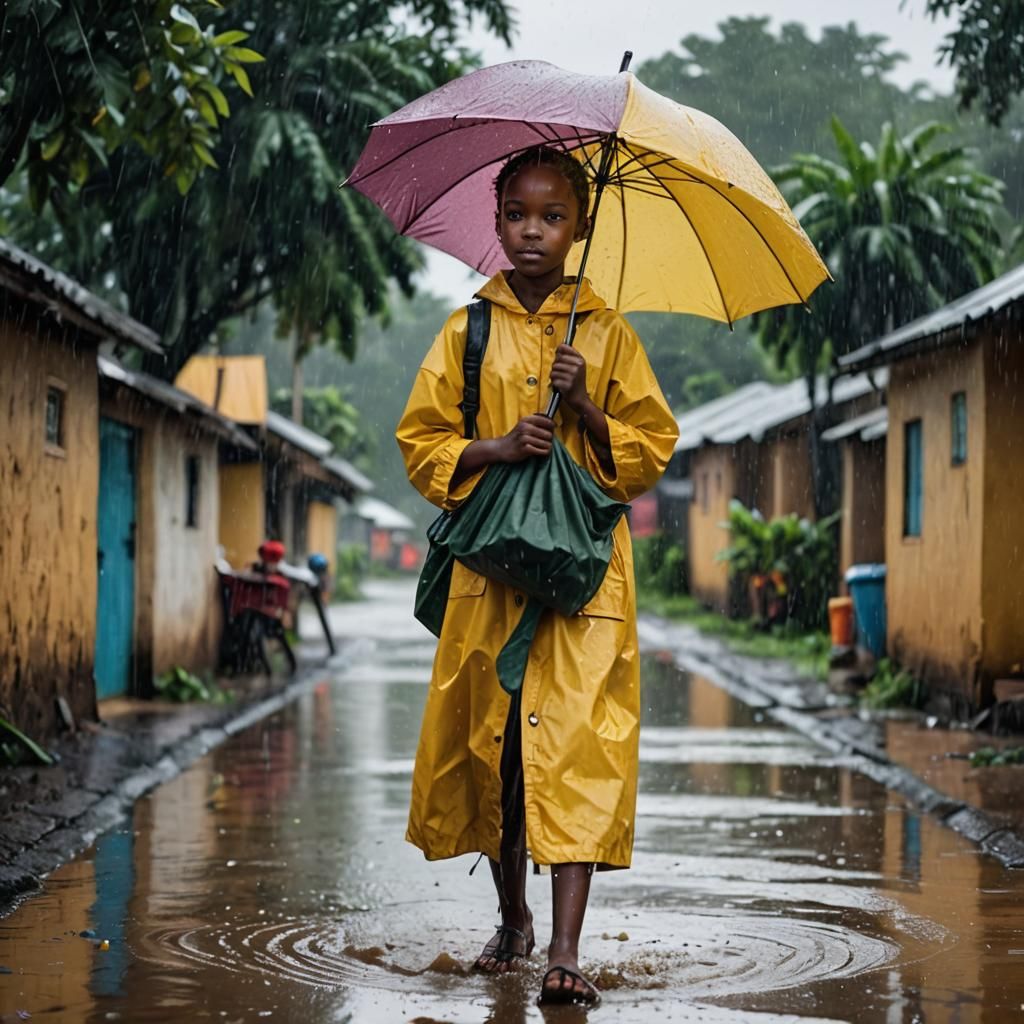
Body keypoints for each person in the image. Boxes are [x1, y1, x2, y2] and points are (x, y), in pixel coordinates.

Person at [395, 145, 679, 1006]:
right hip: (492, 578)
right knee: (501, 756)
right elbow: (420, 442)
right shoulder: (465, 330)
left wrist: (588, 403)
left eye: (553, 217)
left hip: (585, 583)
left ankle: (564, 948)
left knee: (575, 755)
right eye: (519, 212)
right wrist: (497, 445)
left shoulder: (608, 332)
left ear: (579, 226)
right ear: (497, 218)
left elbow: (649, 449)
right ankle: (514, 918)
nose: (533, 232)